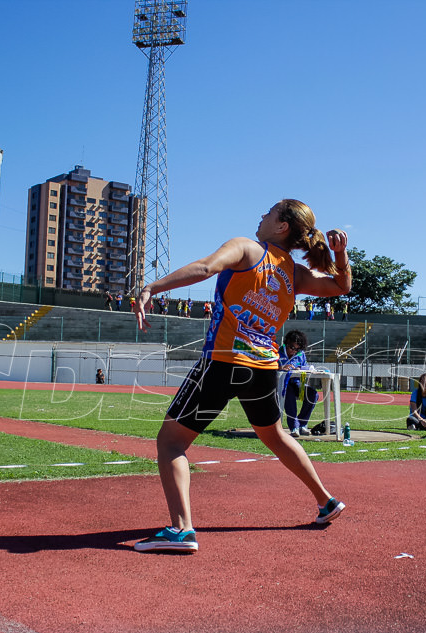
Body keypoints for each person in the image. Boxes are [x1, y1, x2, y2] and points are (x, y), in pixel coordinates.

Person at [132, 199, 352, 552]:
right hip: (263, 368)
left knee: (171, 442)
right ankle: (325, 500)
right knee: (277, 437)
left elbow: (205, 268)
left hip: (223, 362)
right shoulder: (293, 273)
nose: (261, 215)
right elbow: (341, 286)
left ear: (281, 226)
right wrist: (341, 255)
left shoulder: (248, 248)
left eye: (269, 212)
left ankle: (181, 530)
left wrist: (151, 288)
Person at [278, 329, 318, 437]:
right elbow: (268, 367)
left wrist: (301, 368)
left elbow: (305, 367)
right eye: (292, 347)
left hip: (297, 383)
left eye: (297, 349)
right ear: (286, 343)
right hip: (280, 385)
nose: (294, 351)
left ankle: (302, 424)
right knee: (289, 393)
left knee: (313, 394)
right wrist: (280, 367)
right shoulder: (277, 352)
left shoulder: (301, 355)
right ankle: (294, 427)